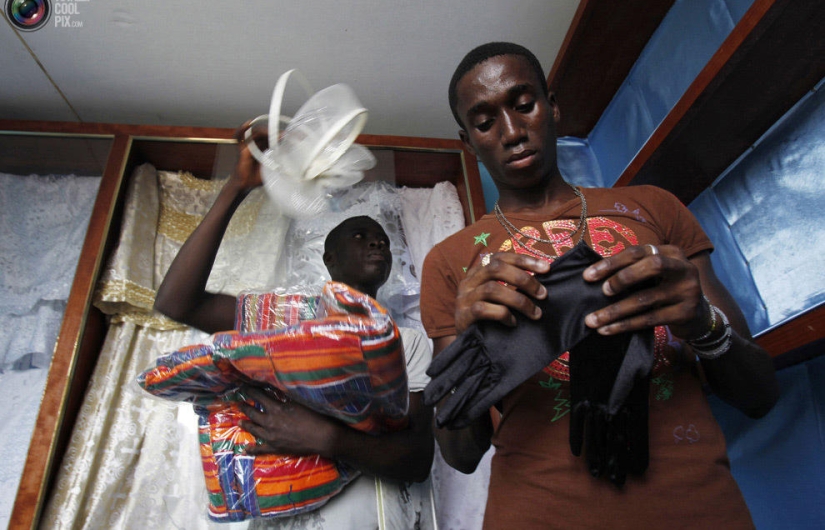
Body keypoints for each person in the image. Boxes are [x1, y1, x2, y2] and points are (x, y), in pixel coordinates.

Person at [420, 42, 779, 528]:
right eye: (485, 122)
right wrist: (469, 346)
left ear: (552, 106)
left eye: (524, 104)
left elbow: (759, 395)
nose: (511, 131)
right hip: (537, 512)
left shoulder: (654, 206)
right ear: (469, 141)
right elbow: (461, 455)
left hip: (696, 505)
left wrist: (700, 323)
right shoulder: (451, 262)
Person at [154, 125, 435, 529]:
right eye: (361, 236)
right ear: (330, 260)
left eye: (383, 241)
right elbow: (176, 302)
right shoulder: (283, 325)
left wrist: (324, 438)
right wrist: (237, 186)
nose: (377, 244)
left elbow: (417, 459)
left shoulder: (407, 344)